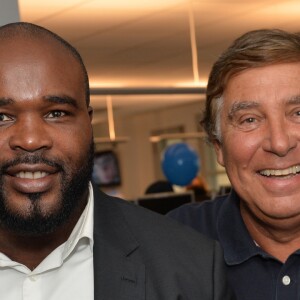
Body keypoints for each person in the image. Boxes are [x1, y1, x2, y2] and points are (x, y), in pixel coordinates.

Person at [0, 22, 234, 299]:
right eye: (2, 117)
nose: (29, 140)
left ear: (89, 123)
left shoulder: (191, 267)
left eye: (56, 113)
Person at [168, 28, 300, 300]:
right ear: (218, 147)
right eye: (250, 119)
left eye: (298, 113)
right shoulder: (170, 244)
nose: (279, 143)